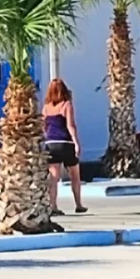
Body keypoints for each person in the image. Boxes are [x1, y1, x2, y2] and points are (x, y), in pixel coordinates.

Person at [42, 78, 86, 213]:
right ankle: (78, 205)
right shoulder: (66, 105)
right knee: (75, 175)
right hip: (66, 143)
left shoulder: (46, 107)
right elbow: (70, 125)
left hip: (51, 144)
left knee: (53, 177)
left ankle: (53, 206)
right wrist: (76, 143)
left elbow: (43, 126)